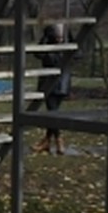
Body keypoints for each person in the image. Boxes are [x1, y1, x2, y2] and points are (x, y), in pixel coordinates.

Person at [32, 22, 72, 155]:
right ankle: (47, 141)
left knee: (52, 112)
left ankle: (59, 141)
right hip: (55, 81)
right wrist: (45, 37)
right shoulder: (54, 45)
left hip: (56, 82)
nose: (60, 38)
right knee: (53, 111)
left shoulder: (64, 46)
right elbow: (37, 54)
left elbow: (40, 54)